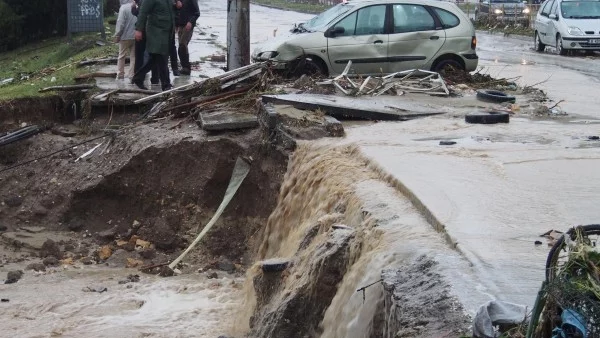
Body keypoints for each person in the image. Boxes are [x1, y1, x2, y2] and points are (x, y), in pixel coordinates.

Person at [132, 0, 175, 91]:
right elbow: (143, 12)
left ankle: (138, 78)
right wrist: (139, 29)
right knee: (161, 57)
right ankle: (166, 84)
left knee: (155, 58)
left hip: (166, 32)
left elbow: (171, 12)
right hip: (155, 31)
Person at [131, 0, 159, 85]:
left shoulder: (143, 3)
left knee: (139, 56)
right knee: (155, 55)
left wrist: (133, 7)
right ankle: (155, 78)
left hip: (143, 30)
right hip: (153, 30)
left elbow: (139, 13)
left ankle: (138, 78)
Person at [174, 0, 200, 75]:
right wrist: (176, 24)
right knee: (182, 45)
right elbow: (176, 11)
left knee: (182, 45)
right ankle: (185, 67)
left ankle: (186, 67)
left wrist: (191, 22)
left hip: (188, 25)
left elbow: (197, 13)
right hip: (180, 25)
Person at [114, 0, 137, 80]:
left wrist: (117, 35)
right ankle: (132, 74)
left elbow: (120, 23)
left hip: (124, 36)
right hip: (135, 35)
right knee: (133, 56)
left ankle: (120, 74)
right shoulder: (136, 6)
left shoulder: (123, 8)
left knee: (121, 55)